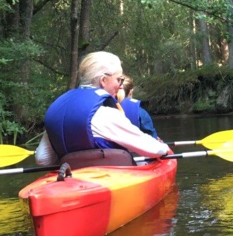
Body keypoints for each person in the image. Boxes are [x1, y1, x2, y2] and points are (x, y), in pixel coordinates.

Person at [35, 51, 170, 165]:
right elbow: (153, 150)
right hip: (110, 181)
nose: (120, 86)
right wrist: (163, 147)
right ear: (103, 80)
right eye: (119, 80)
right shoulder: (105, 114)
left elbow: (42, 158)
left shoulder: (56, 109)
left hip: (71, 181)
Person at [117, 75, 159, 140]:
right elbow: (152, 138)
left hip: (109, 149)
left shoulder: (103, 108)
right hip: (133, 149)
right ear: (130, 92)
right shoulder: (141, 113)